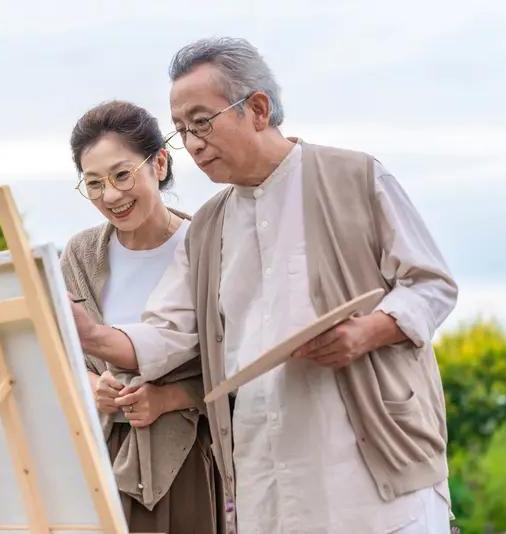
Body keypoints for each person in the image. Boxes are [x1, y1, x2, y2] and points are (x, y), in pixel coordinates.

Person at [70, 38, 458, 533]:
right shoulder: (208, 226)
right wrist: (91, 334)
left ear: (257, 108)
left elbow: (431, 284)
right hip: (266, 474)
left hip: (373, 468)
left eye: (202, 122)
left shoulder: (355, 176)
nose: (191, 144)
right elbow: (169, 331)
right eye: (182, 130)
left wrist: (370, 332)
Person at [60, 100, 218, 533]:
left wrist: (169, 399)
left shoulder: (205, 247)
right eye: (93, 184)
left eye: (122, 175)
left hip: (182, 460)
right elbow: (56, 356)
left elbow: (238, 363)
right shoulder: (80, 254)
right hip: (95, 459)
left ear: (160, 163)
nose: (110, 195)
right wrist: (94, 387)